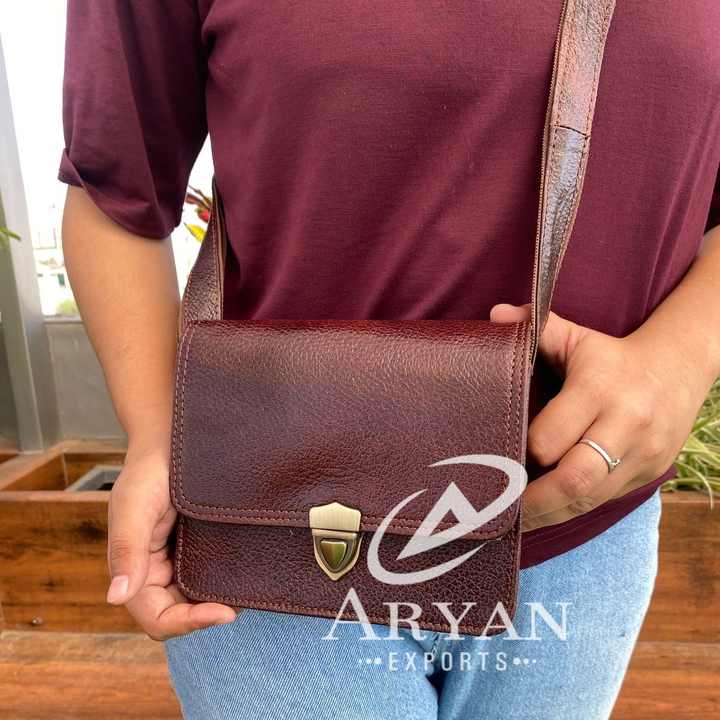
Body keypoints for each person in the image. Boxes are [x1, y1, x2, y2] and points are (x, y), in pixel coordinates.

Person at [59, 2, 720, 718]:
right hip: (272, 524)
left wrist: (681, 358)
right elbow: (113, 190)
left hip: (580, 521)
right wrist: (162, 437)